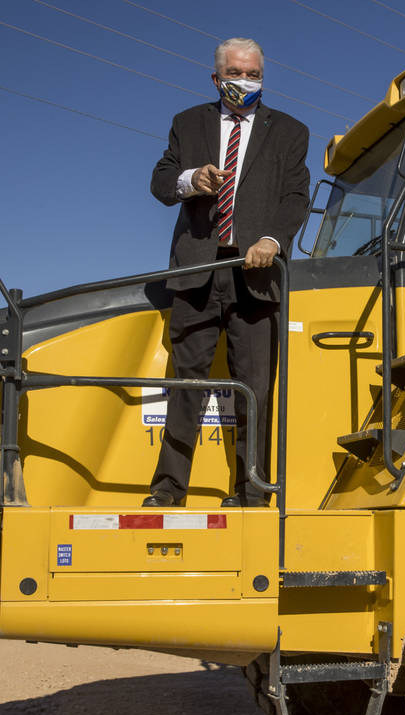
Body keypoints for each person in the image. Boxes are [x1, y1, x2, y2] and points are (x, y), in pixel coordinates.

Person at [144, 37, 309, 508]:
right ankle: (168, 490)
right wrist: (190, 179)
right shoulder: (187, 122)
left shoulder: (291, 131)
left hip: (256, 274)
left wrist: (272, 241)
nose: (245, 81)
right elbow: (160, 181)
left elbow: (296, 197)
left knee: (255, 391)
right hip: (198, 269)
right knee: (186, 385)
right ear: (217, 78)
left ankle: (252, 493)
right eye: (236, 73)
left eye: (254, 74)